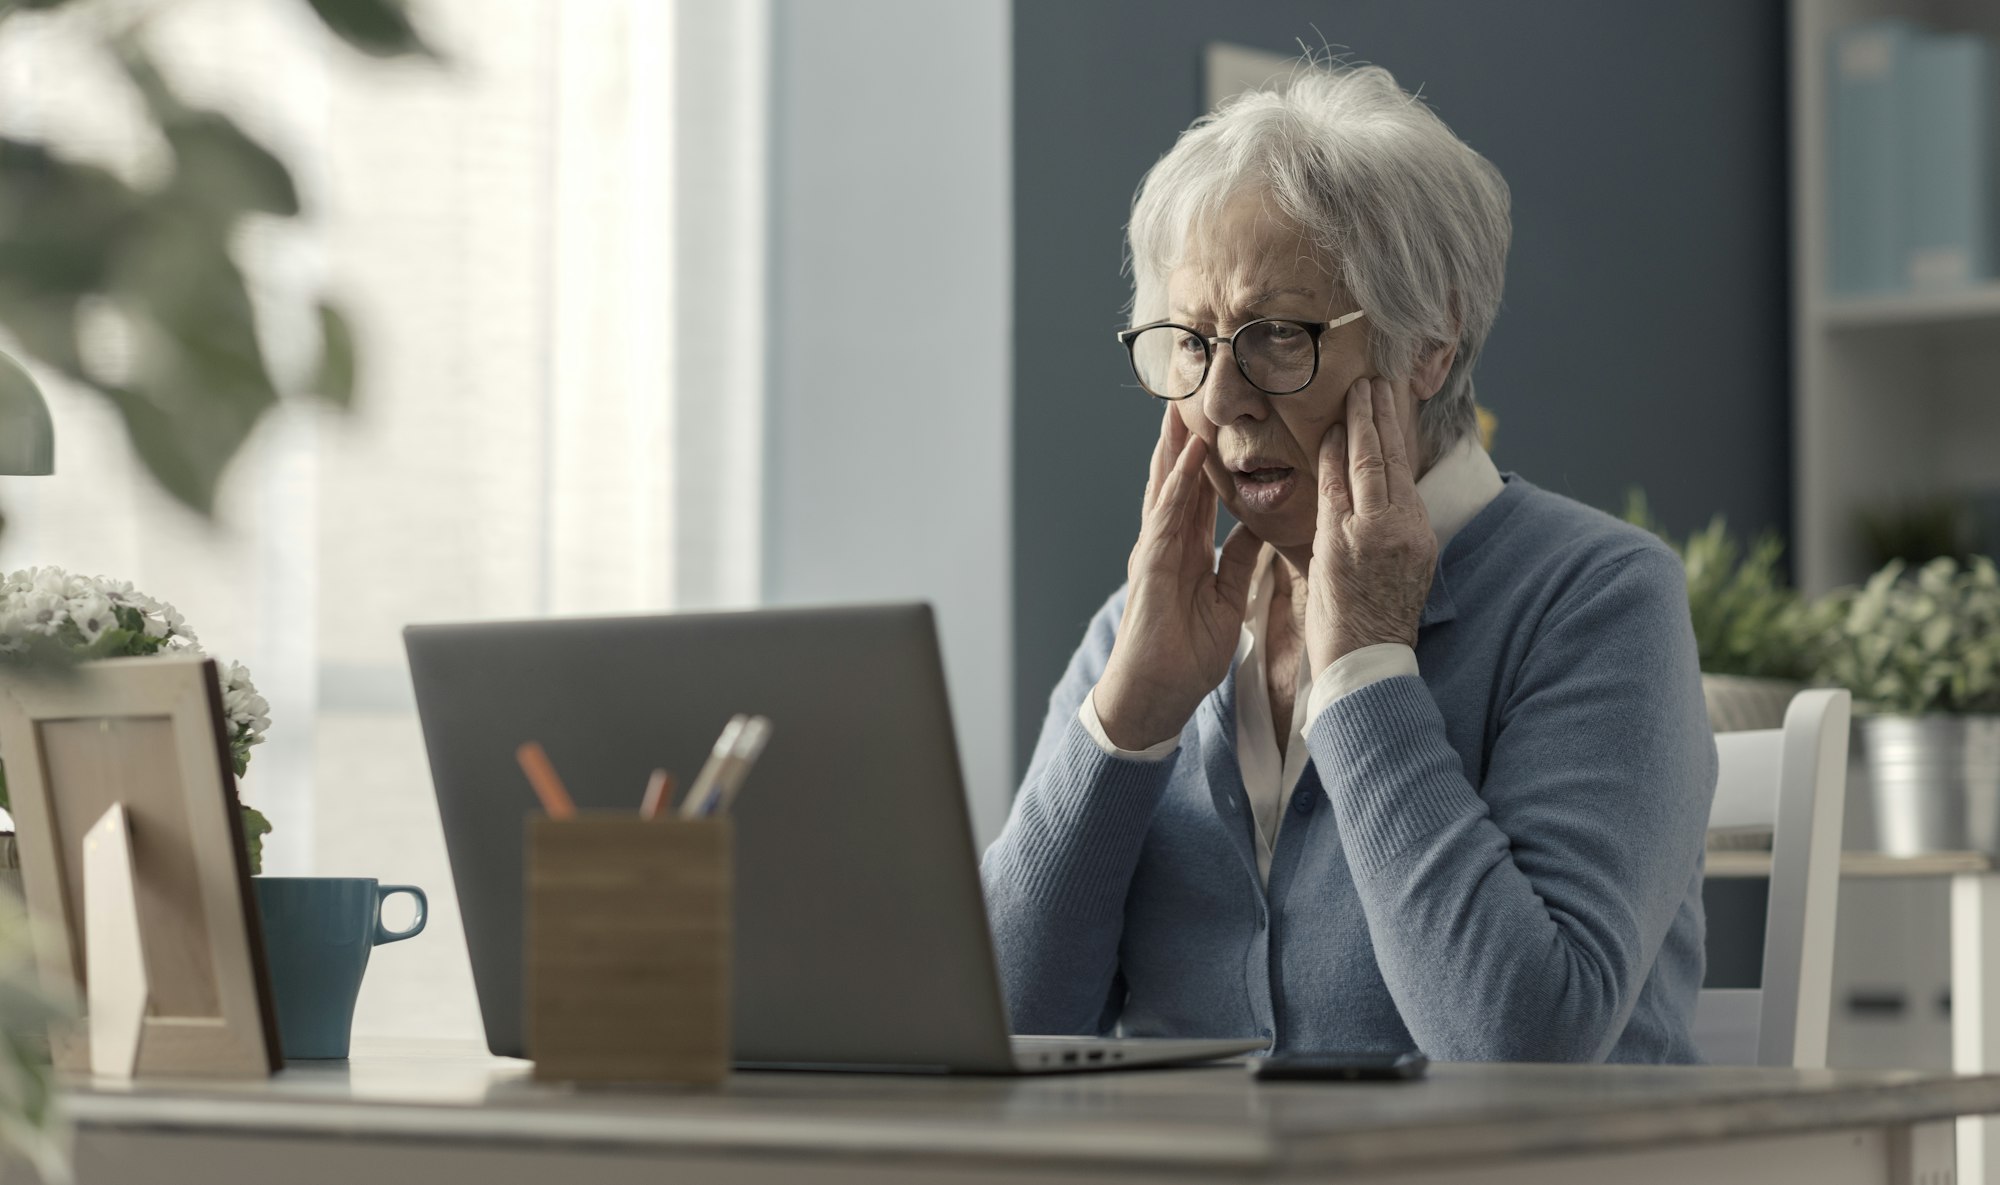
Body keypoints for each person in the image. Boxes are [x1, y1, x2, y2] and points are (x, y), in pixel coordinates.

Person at [981, 60, 1715, 1062]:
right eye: (1190, 344)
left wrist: (1366, 666)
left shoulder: (1595, 598)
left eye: (1274, 336)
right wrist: (1125, 725)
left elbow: (1520, 1048)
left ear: (1429, 342)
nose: (1221, 399)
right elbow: (992, 1035)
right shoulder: (1138, 629)